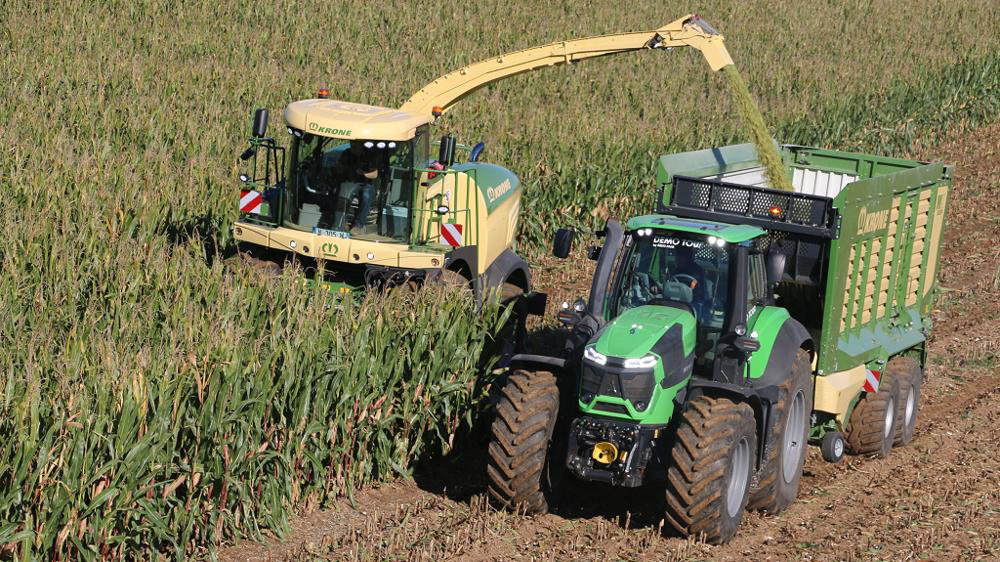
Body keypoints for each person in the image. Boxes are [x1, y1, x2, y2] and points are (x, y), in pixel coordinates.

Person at [334, 141, 379, 233]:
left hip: (366, 184)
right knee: (339, 191)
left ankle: (358, 226)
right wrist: (340, 169)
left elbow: (375, 174)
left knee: (366, 195)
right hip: (349, 182)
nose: (353, 146)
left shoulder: (369, 155)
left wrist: (363, 173)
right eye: (352, 144)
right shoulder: (346, 154)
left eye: (356, 144)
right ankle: (341, 223)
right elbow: (339, 168)